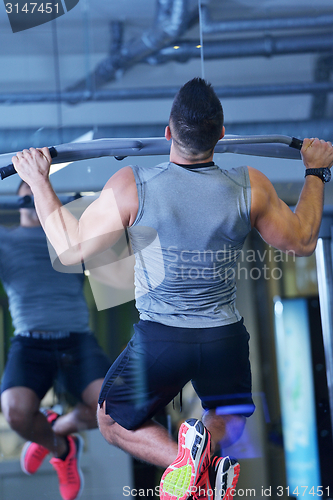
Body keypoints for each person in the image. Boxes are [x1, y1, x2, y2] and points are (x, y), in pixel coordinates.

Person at [12, 77, 333, 500]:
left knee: (111, 422)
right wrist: (315, 171)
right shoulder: (249, 185)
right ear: (221, 134)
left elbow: (71, 249)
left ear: (168, 132)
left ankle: (189, 462)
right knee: (229, 418)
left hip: (161, 337)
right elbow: (304, 241)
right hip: (223, 336)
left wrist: (38, 181)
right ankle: (205, 461)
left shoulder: (133, 184)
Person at [0, 181, 112, 500]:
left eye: (41, 193)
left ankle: (57, 429)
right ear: (17, 200)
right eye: (28, 195)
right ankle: (60, 447)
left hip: (76, 342)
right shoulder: (5, 240)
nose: (35, 200)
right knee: (16, 412)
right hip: (29, 343)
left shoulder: (73, 237)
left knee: (112, 408)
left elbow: (112, 241)